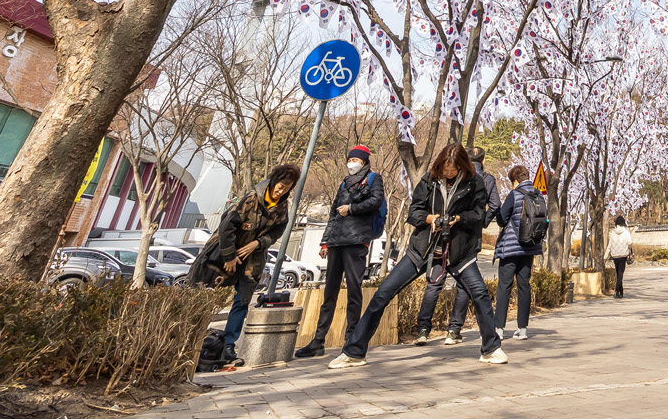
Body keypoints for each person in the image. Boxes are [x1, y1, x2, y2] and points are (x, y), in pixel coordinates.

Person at [330, 142, 506, 368]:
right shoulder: (429, 180)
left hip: (459, 250)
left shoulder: (475, 184)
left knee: (480, 293)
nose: (449, 173)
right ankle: (354, 352)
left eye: (453, 170)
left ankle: (491, 349)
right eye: (445, 168)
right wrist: (430, 219)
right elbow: (414, 212)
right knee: (383, 293)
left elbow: (479, 215)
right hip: (422, 249)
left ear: (462, 166)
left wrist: (458, 218)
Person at [190, 163, 300, 366]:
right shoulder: (251, 198)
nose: (280, 191)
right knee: (204, 296)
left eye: (286, 188)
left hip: (253, 259)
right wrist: (230, 256)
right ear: (273, 180)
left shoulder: (282, 207)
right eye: (279, 186)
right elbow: (226, 227)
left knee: (241, 301)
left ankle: (228, 345)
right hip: (223, 254)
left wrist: (257, 244)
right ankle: (193, 341)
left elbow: (277, 231)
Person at [294, 144, 386, 359]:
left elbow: (376, 201)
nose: (351, 163)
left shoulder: (374, 178)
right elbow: (334, 213)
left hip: (356, 241)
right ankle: (318, 340)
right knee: (329, 293)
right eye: (350, 159)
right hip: (337, 241)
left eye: (355, 160)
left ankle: (351, 339)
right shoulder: (344, 182)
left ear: (363, 162)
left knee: (354, 291)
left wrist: (352, 208)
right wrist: (325, 242)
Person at [436, 145, 500, 344]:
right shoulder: (487, 179)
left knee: (437, 276)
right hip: (470, 234)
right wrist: (482, 221)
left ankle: (424, 327)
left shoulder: (456, 174)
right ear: (483, 160)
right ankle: (455, 329)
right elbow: (496, 205)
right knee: (469, 283)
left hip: (443, 232)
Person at [492, 164, 547, 340]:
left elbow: (501, 220)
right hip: (529, 248)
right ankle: (522, 329)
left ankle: (499, 328)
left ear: (515, 181)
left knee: (504, 286)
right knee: (524, 286)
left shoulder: (514, 195)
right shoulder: (538, 195)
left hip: (510, 248)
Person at [606, 216, 632, 299]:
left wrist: (605, 256)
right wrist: (629, 248)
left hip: (615, 256)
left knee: (618, 273)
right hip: (623, 255)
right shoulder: (626, 232)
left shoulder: (613, 233)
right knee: (620, 274)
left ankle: (620, 291)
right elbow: (630, 242)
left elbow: (609, 245)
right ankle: (617, 291)